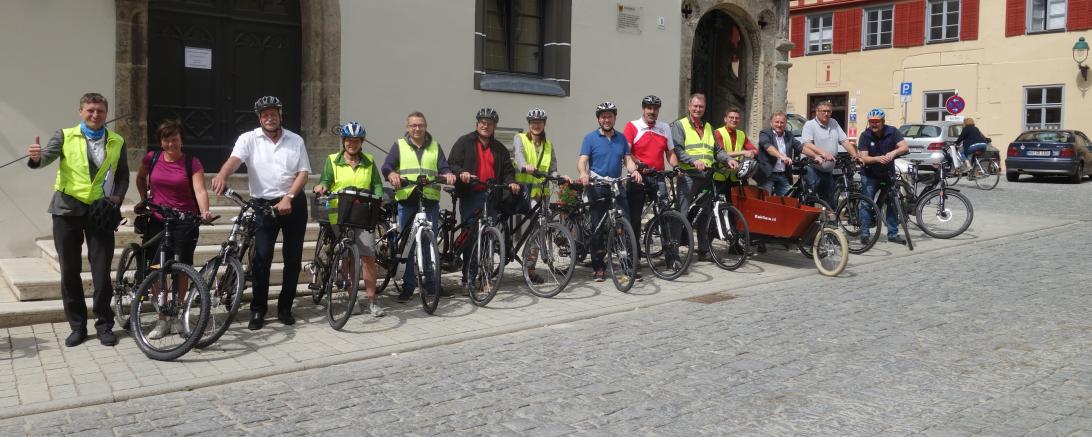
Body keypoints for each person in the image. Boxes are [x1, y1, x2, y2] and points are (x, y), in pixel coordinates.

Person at [27, 92, 129, 347]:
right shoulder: (64, 135)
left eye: (100, 111)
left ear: (106, 113)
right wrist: (36, 158)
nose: (95, 115)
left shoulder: (117, 140)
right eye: (90, 110)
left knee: (102, 272)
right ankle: (77, 326)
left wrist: (117, 197)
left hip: (100, 213)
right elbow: (45, 158)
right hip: (66, 211)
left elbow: (123, 175)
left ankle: (105, 325)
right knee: (69, 272)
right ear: (81, 111)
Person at [211, 96, 310, 330]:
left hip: (292, 203)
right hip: (263, 206)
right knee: (261, 258)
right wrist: (222, 175)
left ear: (280, 115)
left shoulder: (295, 140)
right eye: (265, 114)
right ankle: (258, 310)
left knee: (293, 258)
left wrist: (289, 197)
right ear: (259, 117)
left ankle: (285, 307)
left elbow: (303, 173)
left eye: (273, 113)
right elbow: (235, 160)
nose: (269, 117)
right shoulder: (248, 139)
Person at [135, 119, 213, 339]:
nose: (171, 144)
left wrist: (204, 211)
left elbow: (200, 190)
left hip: (184, 222)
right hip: (158, 219)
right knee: (156, 269)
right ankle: (162, 318)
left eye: (175, 140)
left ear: (181, 141)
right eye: (166, 140)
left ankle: (177, 315)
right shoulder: (152, 158)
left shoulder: (192, 163)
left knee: (181, 268)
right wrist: (144, 199)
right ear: (161, 142)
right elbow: (141, 178)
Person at [381, 112, 456, 302]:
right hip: (407, 200)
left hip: (429, 200)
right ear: (407, 127)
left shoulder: (435, 146)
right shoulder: (399, 145)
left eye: (420, 125)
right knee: (408, 245)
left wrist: (448, 174)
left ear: (425, 126)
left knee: (429, 244)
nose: (417, 129)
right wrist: (392, 175)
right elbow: (387, 166)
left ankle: (432, 285)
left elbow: (444, 167)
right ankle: (408, 286)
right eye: (413, 125)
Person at [314, 122, 387, 317]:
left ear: (361, 142)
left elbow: (377, 185)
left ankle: (372, 301)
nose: (351, 144)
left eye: (356, 141)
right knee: (347, 257)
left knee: (368, 257)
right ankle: (351, 298)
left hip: (363, 213)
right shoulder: (332, 160)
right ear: (343, 141)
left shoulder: (369, 161)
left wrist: (379, 199)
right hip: (339, 212)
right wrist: (321, 186)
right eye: (348, 140)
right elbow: (326, 180)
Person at [448, 108, 519, 290]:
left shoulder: (499, 148)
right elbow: (453, 163)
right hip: (471, 195)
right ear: (477, 123)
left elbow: (508, 171)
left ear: (494, 126)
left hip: (491, 196)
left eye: (489, 123)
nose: (485, 125)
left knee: (488, 238)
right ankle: (467, 278)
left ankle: (486, 278)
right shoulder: (464, 142)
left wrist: (511, 182)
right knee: (471, 238)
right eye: (482, 122)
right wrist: (461, 173)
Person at [578, 102, 642, 282]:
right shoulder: (590, 138)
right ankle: (598, 267)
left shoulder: (621, 139)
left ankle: (628, 266)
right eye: (603, 116)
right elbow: (582, 161)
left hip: (616, 187)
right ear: (599, 119)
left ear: (614, 118)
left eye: (610, 116)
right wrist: (583, 173)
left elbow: (627, 160)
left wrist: (634, 170)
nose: (607, 119)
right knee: (597, 228)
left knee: (625, 225)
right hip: (597, 187)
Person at [671, 93, 736, 262]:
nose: (698, 109)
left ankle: (703, 250)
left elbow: (717, 150)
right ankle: (674, 252)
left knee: (706, 214)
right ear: (689, 106)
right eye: (695, 106)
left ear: (704, 108)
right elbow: (677, 149)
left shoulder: (708, 127)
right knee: (682, 214)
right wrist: (693, 161)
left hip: (707, 175)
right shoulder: (680, 125)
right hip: (689, 176)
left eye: (701, 106)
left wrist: (728, 159)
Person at [513, 108, 570, 283]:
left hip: (542, 194)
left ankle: (530, 268)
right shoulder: (520, 138)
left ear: (544, 124)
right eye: (533, 122)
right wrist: (525, 165)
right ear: (529, 124)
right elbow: (518, 156)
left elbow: (552, 169)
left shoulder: (548, 145)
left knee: (539, 230)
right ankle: (522, 259)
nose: (536, 125)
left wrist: (560, 177)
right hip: (524, 191)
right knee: (535, 228)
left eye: (539, 122)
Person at [622, 95, 677, 279]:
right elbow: (626, 153)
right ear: (643, 109)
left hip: (658, 177)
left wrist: (675, 167)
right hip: (639, 177)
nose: (652, 111)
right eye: (648, 108)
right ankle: (632, 260)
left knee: (666, 217)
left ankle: (672, 258)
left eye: (655, 108)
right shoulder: (633, 126)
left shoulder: (664, 128)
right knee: (635, 219)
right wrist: (638, 165)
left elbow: (670, 152)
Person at [857, 109, 909, 245]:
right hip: (870, 174)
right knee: (867, 203)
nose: (874, 124)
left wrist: (893, 152)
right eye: (871, 122)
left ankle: (893, 234)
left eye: (877, 122)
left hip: (888, 173)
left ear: (883, 121)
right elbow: (864, 158)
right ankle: (864, 233)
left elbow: (904, 147)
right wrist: (877, 159)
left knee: (892, 202)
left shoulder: (892, 131)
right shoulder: (865, 135)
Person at [800, 100, 859, 208]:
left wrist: (855, 156)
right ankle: (809, 222)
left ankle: (829, 222)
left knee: (829, 199)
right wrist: (823, 153)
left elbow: (844, 141)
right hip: (812, 168)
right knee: (810, 198)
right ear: (817, 112)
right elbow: (807, 144)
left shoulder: (834, 123)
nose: (826, 114)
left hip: (827, 170)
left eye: (829, 111)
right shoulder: (810, 125)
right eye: (823, 111)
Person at [756, 111, 804, 195]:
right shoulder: (765, 133)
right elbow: (768, 147)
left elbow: (799, 146)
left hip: (783, 175)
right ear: (771, 123)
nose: (779, 125)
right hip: (767, 175)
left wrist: (816, 155)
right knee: (765, 202)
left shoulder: (788, 135)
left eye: (782, 122)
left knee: (787, 201)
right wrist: (782, 157)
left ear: (785, 124)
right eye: (777, 122)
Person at [713, 106, 759, 190]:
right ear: (725, 119)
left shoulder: (741, 134)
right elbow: (721, 153)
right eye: (731, 117)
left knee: (735, 202)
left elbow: (755, 150)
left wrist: (751, 153)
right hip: (720, 175)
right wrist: (743, 152)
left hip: (736, 176)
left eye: (737, 118)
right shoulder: (718, 133)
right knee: (719, 202)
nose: (734, 120)